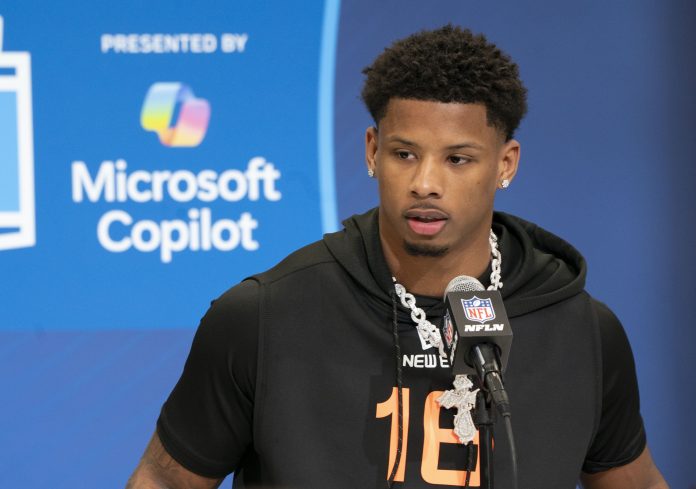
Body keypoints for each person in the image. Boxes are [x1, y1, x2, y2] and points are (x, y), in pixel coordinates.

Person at [127, 25, 668, 489]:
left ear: (506, 164)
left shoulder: (582, 332)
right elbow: (162, 478)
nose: (425, 183)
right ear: (371, 151)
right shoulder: (263, 318)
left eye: (458, 159)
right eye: (404, 154)